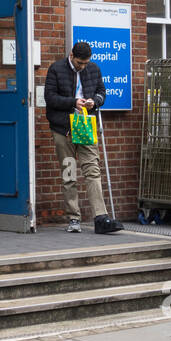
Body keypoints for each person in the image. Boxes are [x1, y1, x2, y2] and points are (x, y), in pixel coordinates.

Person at [44, 40, 123, 234]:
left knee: (92, 169)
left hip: (85, 125)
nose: (83, 66)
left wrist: (94, 102)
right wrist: (74, 102)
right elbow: (50, 98)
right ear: (72, 56)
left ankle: (100, 217)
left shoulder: (93, 68)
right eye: (80, 63)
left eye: (86, 63)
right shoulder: (56, 69)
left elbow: (102, 92)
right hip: (64, 127)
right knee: (69, 172)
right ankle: (73, 218)